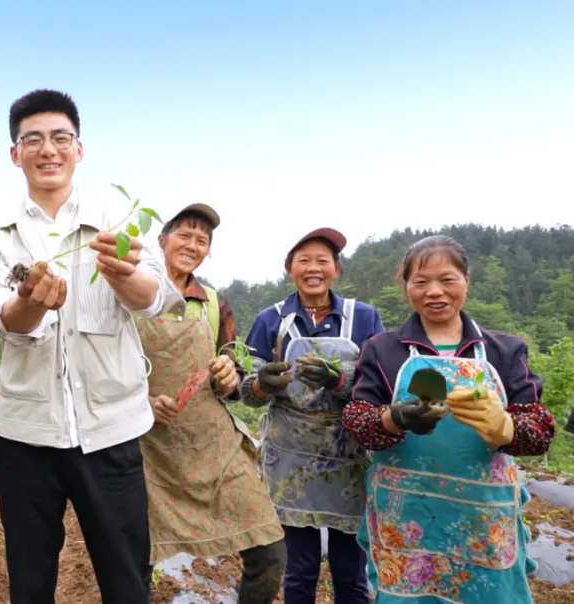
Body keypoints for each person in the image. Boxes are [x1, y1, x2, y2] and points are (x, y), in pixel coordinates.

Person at [0, 89, 181, 604]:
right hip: (27, 437)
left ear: (79, 149)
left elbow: (153, 297)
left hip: (111, 431)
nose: (48, 150)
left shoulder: (116, 219)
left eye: (60, 138)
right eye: (33, 139)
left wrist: (123, 274)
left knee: (127, 577)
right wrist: (32, 301)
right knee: (30, 577)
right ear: (15, 153)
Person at [344, 235, 555, 603]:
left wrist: (505, 427)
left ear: (467, 281)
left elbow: (538, 429)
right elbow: (358, 419)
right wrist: (394, 419)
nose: (434, 292)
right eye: (421, 282)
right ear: (406, 287)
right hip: (407, 515)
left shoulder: (503, 350)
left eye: (447, 279)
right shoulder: (382, 349)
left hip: (483, 516)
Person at [138, 204, 287, 603]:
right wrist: (142, 402)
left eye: (201, 240)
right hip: (149, 451)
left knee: (270, 552)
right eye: (183, 235)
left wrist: (229, 375)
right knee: (135, 560)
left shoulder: (212, 302)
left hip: (213, 447)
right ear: (161, 240)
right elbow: (100, 373)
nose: (192, 244)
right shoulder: (132, 293)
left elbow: (234, 382)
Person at [241, 227, 384, 604]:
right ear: (290, 269)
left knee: (350, 573)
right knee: (299, 570)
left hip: (348, 458)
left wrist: (338, 380)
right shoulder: (270, 320)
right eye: (304, 260)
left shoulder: (364, 317)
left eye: (323, 260)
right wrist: (264, 385)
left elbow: (379, 387)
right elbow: (246, 392)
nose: (313, 268)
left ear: (336, 269)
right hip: (290, 458)